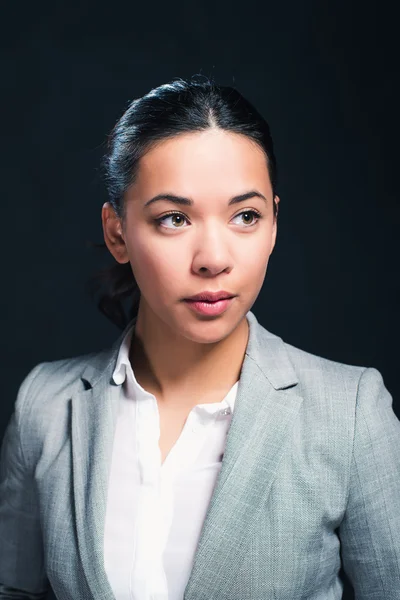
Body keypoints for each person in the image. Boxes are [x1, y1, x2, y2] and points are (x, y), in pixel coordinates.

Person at [0, 75, 399, 600]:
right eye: (174, 218)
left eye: (245, 216)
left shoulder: (349, 413)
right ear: (117, 232)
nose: (213, 258)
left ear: (275, 224)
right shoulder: (45, 408)